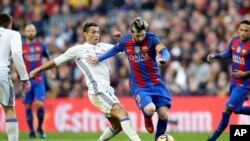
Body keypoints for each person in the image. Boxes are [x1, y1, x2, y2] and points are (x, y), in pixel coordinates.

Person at [29, 22, 141, 141]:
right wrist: (37, 70)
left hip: (107, 90)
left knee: (117, 127)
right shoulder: (78, 49)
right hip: (97, 89)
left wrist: (120, 41)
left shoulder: (104, 46)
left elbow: (125, 48)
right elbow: (56, 61)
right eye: (93, 32)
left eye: (98, 32)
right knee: (121, 112)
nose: (96, 35)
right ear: (85, 34)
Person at [86, 17, 172, 141]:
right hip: (139, 85)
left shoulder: (151, 38)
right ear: (131, 33)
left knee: (164, 115)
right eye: (137, 35)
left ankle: (158, 139)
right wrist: (98, 58)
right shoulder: (125, 41)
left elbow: (164, 51)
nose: (141, 38)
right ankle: (147, 116)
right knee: (150, 109)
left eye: (142, 35)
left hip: (156, 83)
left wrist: (164, 58)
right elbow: (114, 50)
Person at [207, 20, 250, 141]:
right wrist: (215, 56)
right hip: (233, 82)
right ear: (238, 30)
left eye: (246, 31)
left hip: (244, 84)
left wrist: (245, 73)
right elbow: (228, 53)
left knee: (227, 109)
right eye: (241, 30)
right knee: (237, 110)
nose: (243, 33)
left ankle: (211, 139)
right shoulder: (234, 41)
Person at [0, 13, 31, 141]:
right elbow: (17, 55)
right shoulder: (13, 34)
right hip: (2, 73)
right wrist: (24, 78)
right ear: (10, 24)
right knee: (9, 109)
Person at [22, 24, 51, 138]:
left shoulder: (41, 45)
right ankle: (31, 131)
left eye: (32, 30)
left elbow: (48, 58)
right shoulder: (21, 46)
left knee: (39, 104)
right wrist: (14, 72)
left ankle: (39, 127)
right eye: (28, 30)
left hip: (39, 80)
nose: (30, 32)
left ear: (35, 32)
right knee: (28, 106)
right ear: (25, 33)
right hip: (26, 81)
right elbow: (16, 61)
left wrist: (52, 72)